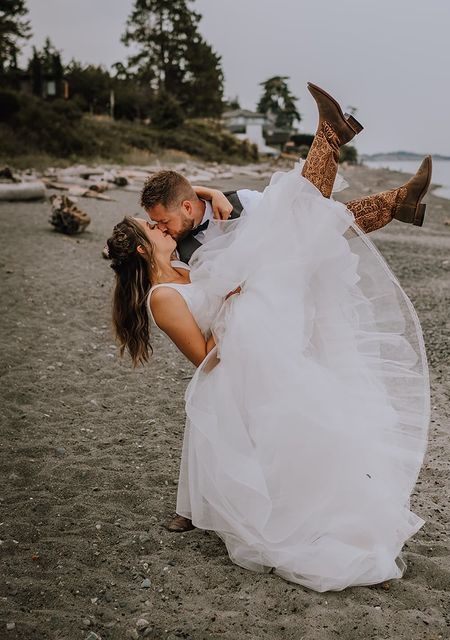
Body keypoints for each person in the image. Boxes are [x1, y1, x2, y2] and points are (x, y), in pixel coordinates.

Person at [106, 84, 430, 592]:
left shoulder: (187, 266)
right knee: (300, 228)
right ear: (147, 252)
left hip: (257, 325)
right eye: (151, 229)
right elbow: (204, 355)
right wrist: (238, 298)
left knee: (303, 229)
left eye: (157, 221)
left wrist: (231, 251)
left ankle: (353, 162)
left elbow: (221, 276)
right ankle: (350, 159)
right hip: (246, 344)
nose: (157, 227)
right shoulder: (164, 294)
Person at [140, 83, 433, 264]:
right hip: (270, 290)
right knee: (309, 217)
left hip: (294, 254)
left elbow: (185, 192)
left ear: (188, 205)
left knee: (311, 215)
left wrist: (212, 192)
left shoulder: (238, 200)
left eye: (162, 222)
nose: (161, 229)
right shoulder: (179, 250)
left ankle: (398, 202)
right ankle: (332, 136)